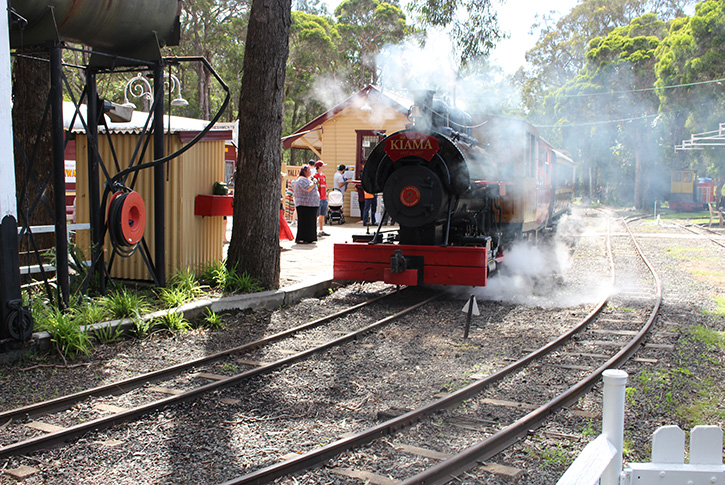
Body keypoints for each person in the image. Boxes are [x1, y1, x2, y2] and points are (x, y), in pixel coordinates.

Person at [293, 165, 319, 244]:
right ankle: (301, 238)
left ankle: (309, 238)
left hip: (311, 205)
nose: (310, 171)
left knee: (310, 222)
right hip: (304, 205)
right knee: (303, 222)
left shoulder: (307, 179)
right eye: (309, 170)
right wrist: (314, 182)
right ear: (304, 171)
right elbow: (307, 189)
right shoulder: (301, 180)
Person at [313, 160, 329, 237]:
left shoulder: (323, 176)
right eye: (322, 166)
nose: (323, 167)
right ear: (318, 167)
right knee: (316, 215)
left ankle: (321, 230)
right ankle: (314, 230)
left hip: (324, 198)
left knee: (322, 215)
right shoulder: (314, 176)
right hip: (318, 198)